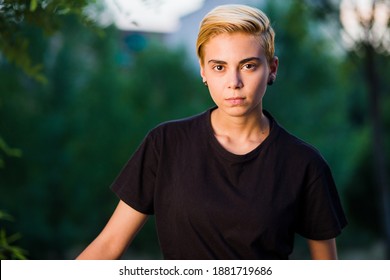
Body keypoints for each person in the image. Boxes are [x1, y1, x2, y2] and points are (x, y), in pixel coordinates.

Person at [77, 4, 347, 260]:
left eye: (248, 66)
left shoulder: (304, 164)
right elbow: (109, 245)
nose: (234, 83)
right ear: (203, 71)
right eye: (219, 67)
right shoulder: (166, 145)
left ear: (271, 69)